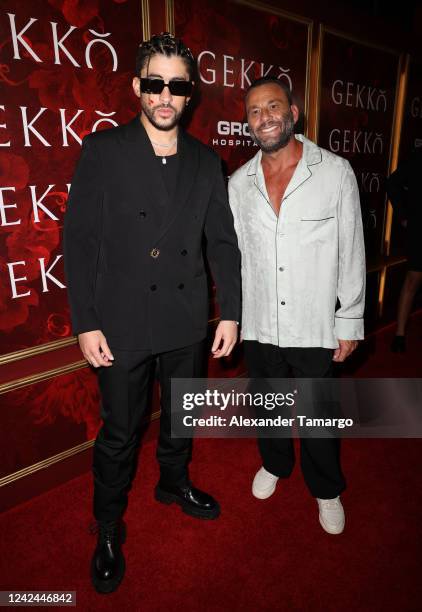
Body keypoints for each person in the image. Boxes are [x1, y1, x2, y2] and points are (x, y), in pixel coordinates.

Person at [63, 33, 240, 594]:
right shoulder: (104, 151)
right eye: (156, 83)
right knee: (120, 431)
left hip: (186, 313)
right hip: (122, 320)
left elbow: (222, 243)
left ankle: (173, 483)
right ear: (139, 87)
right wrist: (86, 321)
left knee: (182, 415)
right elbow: (81, 241)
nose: (166, 95)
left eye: (178, 86)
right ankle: (109, 526)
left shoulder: (207, 162)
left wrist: (230, 313)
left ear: (189, 95)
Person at [228, 77, 365, 535]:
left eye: (273, 106)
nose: (264, 116)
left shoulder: (335, 171)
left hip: (313, 320)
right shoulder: (237, 184)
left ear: (294, 112)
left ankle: (326, 488)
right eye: (254, 110)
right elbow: (236, 258)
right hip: (261, 322)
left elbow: (352, 250)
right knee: (266, 406)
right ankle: (275, 463)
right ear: (247, 122)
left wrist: (349, 319)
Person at [387, 148, 422, 353]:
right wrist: (404, 216)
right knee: (413, 279)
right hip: (420, 228)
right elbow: (393, 183)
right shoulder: (418, 156)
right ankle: (399, 334)